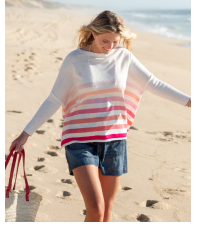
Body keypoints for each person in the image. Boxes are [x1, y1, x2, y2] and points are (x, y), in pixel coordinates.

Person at [9, 10, 191, 222]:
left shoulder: (124, 57)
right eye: (105, 40)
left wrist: (190, 102)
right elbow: (54, 99)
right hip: (79, 141)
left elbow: (153, 83)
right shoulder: (75, 60)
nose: (110, 46)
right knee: (95, 209)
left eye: (115, 41)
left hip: (114, 141)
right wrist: (26, 133)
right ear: (93, 33)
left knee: (106, 212)